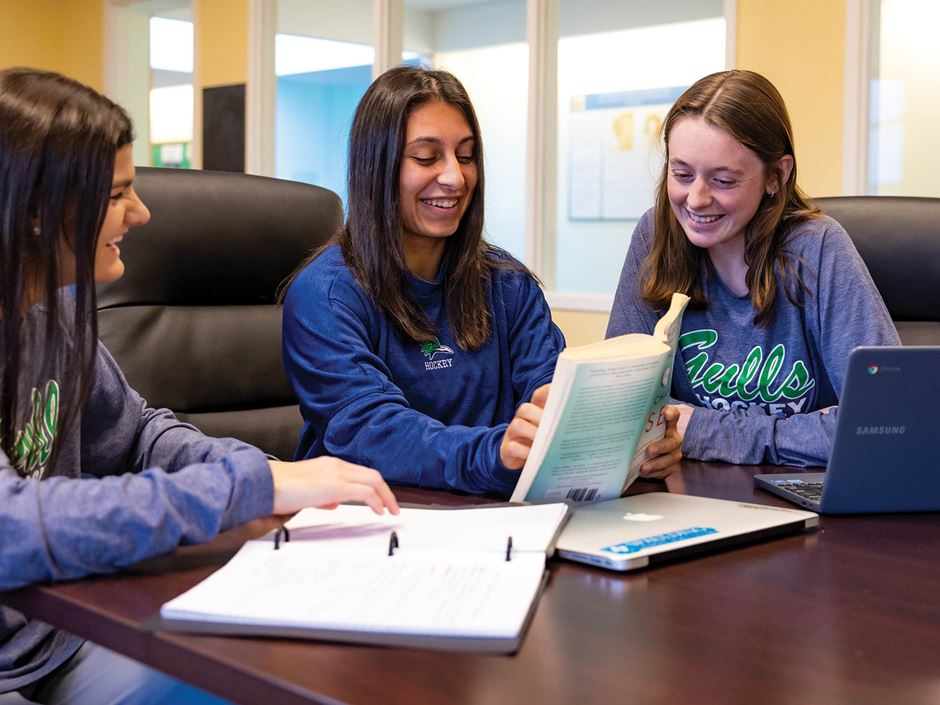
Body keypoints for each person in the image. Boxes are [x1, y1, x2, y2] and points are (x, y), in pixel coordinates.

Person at [0, 67, 399, 704]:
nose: (141, 212)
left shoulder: (53, 318)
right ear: (40, 215)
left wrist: (261, 471)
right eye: (117, 195)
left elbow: (137, 438)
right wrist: (248, 486)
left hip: (59, 634)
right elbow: (11, 528)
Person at [282, 66, 684, 495]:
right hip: (374, 525)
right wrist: (495, 453)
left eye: (467, 155)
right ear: (377, 167)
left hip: (499, 519)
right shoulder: (326, 294)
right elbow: (370, 431)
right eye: (426, 157)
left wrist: (625, 437)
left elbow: (549, 390)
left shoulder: (507, 284)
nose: (455, 177)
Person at [606, 69, 900, 467]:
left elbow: (883, 424)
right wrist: (806, 432)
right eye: (682, 174)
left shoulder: (817, 248)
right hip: (684, 496)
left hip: (803, 503)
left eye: (723, 180)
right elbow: (620, 403)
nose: (695, 199)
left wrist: (702, 429)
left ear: (777, 175)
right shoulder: (654, 235)